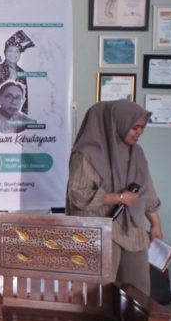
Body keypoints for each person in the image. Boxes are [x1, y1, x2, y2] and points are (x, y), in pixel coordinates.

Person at [66, 100, 163, 295]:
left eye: (142, 127)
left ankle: (134, 318)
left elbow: (146, 190)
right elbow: (78, 195)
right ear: (116, 123)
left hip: (133, 229)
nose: (139, 132)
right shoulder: (86, 154)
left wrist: (155, 224)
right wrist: (120, 198)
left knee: (139, 291)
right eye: (134, 127)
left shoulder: (137, 153)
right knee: (100, 293)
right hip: (99, 230)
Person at [0, 30, 34, 113]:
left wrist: (24, 115)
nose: (13, 54)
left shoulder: (21, 72)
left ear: (20, 54)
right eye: (10, 51)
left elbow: (25, 97)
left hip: (16, 113)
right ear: (5, 53)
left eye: (17, 51)